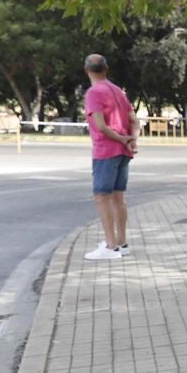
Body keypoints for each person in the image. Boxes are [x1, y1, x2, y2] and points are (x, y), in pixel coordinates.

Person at [83, 54, 137, 261]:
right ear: (106, 69)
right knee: (118, 196)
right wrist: (131, 140)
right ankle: (121, 243)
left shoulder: (93, 93)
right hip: (123, 152)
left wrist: (122, 139)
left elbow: (101, 126)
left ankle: (110, 245)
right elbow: (133, 120)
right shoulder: (117, 91)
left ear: (86, 70)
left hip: (106, 150)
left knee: (102, 196)